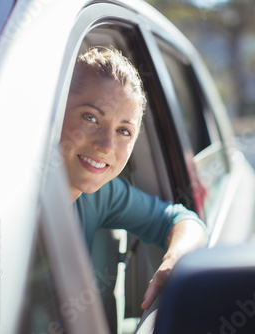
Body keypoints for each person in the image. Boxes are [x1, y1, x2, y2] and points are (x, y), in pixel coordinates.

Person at [60, 46, 207, 311]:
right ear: (56, 114)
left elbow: (182, 219)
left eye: (124, 131)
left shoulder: (102, 195)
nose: (106, 145)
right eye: (90, 117)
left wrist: (174, 261)